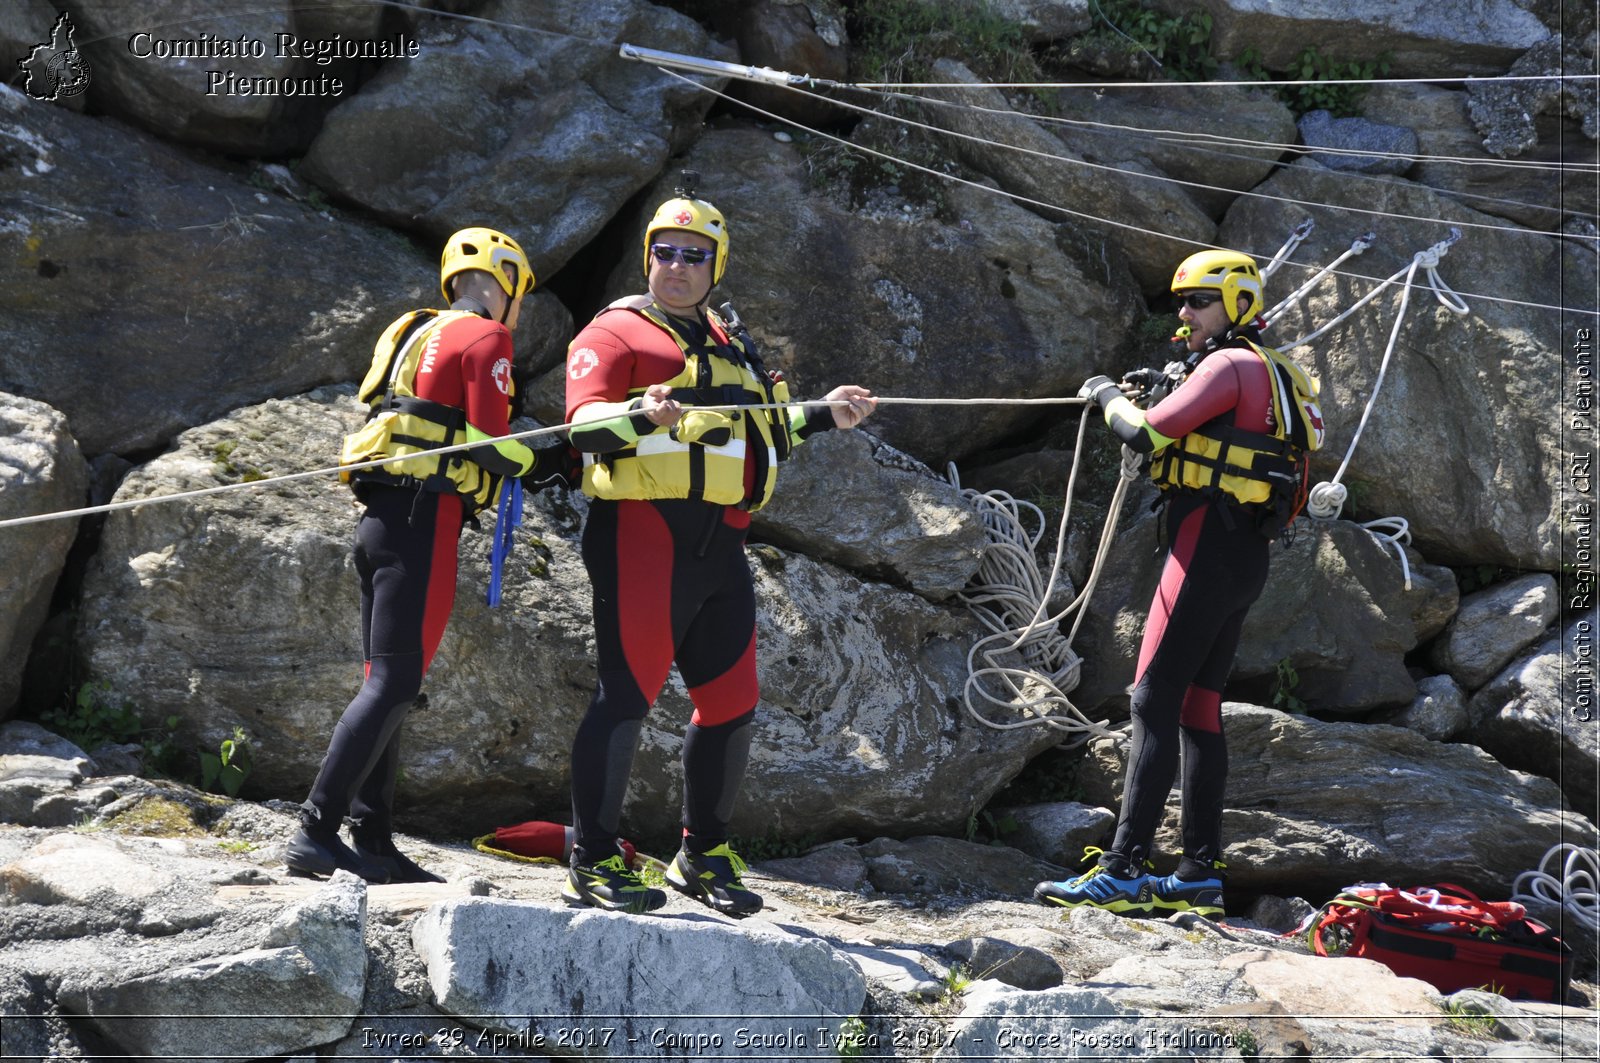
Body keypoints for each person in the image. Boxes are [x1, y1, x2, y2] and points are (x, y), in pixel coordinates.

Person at [561, 173, 876, 916]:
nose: (677, 265)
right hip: (642, 533)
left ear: (715, 265)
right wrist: (642, 416)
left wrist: (826, 414)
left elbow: (771, 431)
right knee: (627, 696)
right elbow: (578, 428)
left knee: (732, 702)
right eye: (664, 251)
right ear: (648, 259)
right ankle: (593, 857)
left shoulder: (734, 347)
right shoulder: (612, 332)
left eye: (694, 255)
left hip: (721, 546)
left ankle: (701, 854)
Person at [1035, 249, 1323, 919]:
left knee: (1151, 700)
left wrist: (1103, 392)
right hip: (1243, 555)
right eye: (1181, 302)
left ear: (1239, 306)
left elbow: (1144, 434)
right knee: (1197, 708)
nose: (1184, 314)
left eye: (1199, 301)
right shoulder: (1279, 373)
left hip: (1203, 546)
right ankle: (1198, 871)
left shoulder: (1228, 365)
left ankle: (1123, 869)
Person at [286, 227, 550, 884]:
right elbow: (491, 440)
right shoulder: (489, 337)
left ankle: (373, 838)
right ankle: (316, 827)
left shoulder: (415, 332)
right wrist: (547, 458)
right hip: (423, 518)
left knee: (389, 679)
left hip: (379, 521)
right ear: (508, 282)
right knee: (395, 681)